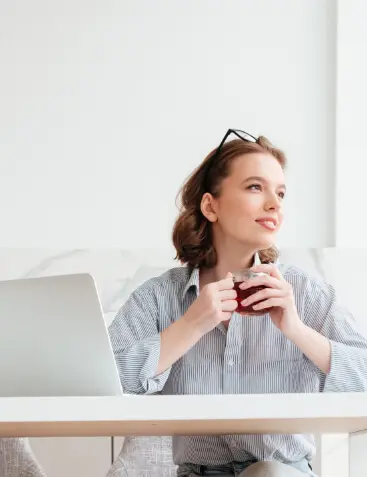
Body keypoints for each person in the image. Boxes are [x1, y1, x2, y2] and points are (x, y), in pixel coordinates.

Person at [108, 129, 367, 477]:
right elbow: (103, 381)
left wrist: (297, 330)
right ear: (210, 206)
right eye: (255, 187)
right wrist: (189, 326)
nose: (274, 203)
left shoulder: (305, 293)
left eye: (281, 193)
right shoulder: (159, 297)